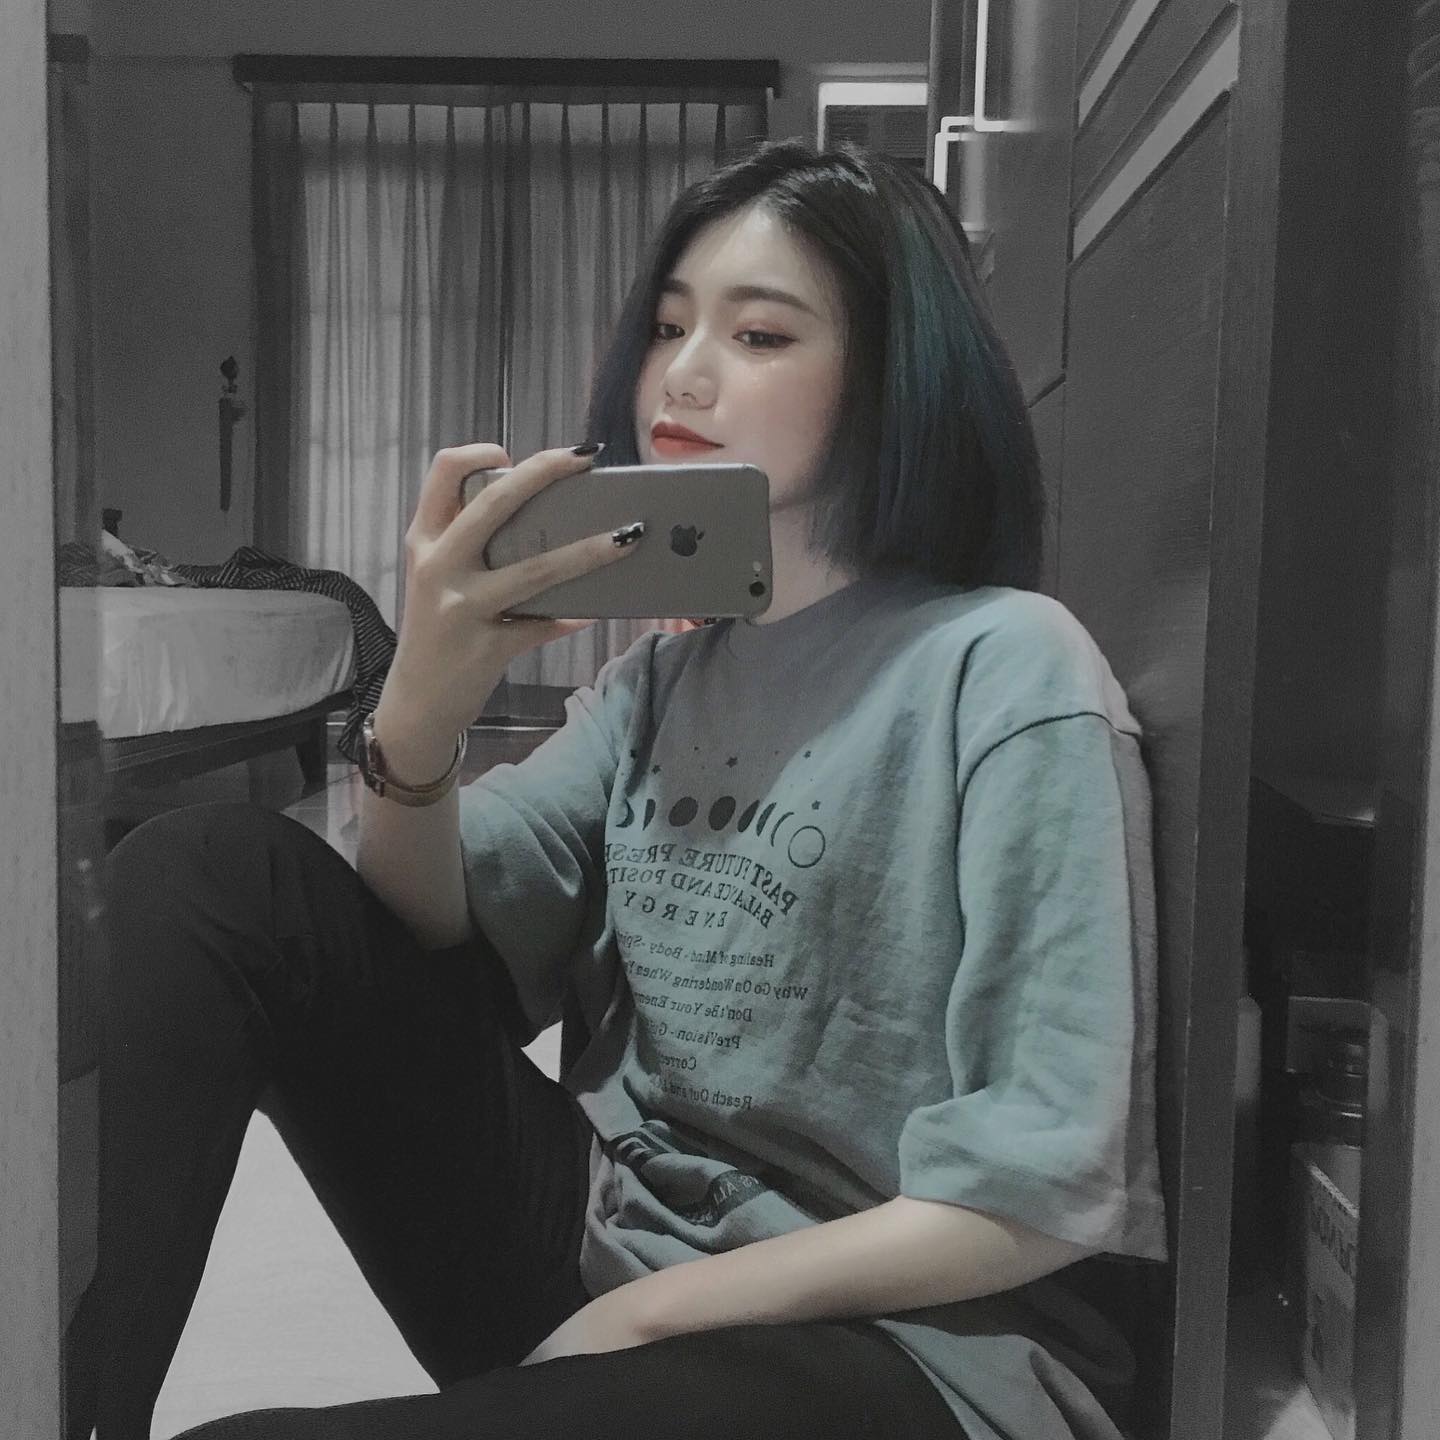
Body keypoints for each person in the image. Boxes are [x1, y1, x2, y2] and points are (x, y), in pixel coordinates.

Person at [65, 139, 1167, 1440]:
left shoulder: (1007, 667)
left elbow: (1042, 1189)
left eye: (760, 335)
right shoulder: (661, 681)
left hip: (895, 1348)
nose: (683, 372)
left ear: (893, 378)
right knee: (209, 875)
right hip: (609, 1243)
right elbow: (435, 940)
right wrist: (422, 703)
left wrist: (647, 1318)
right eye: (667, 324)